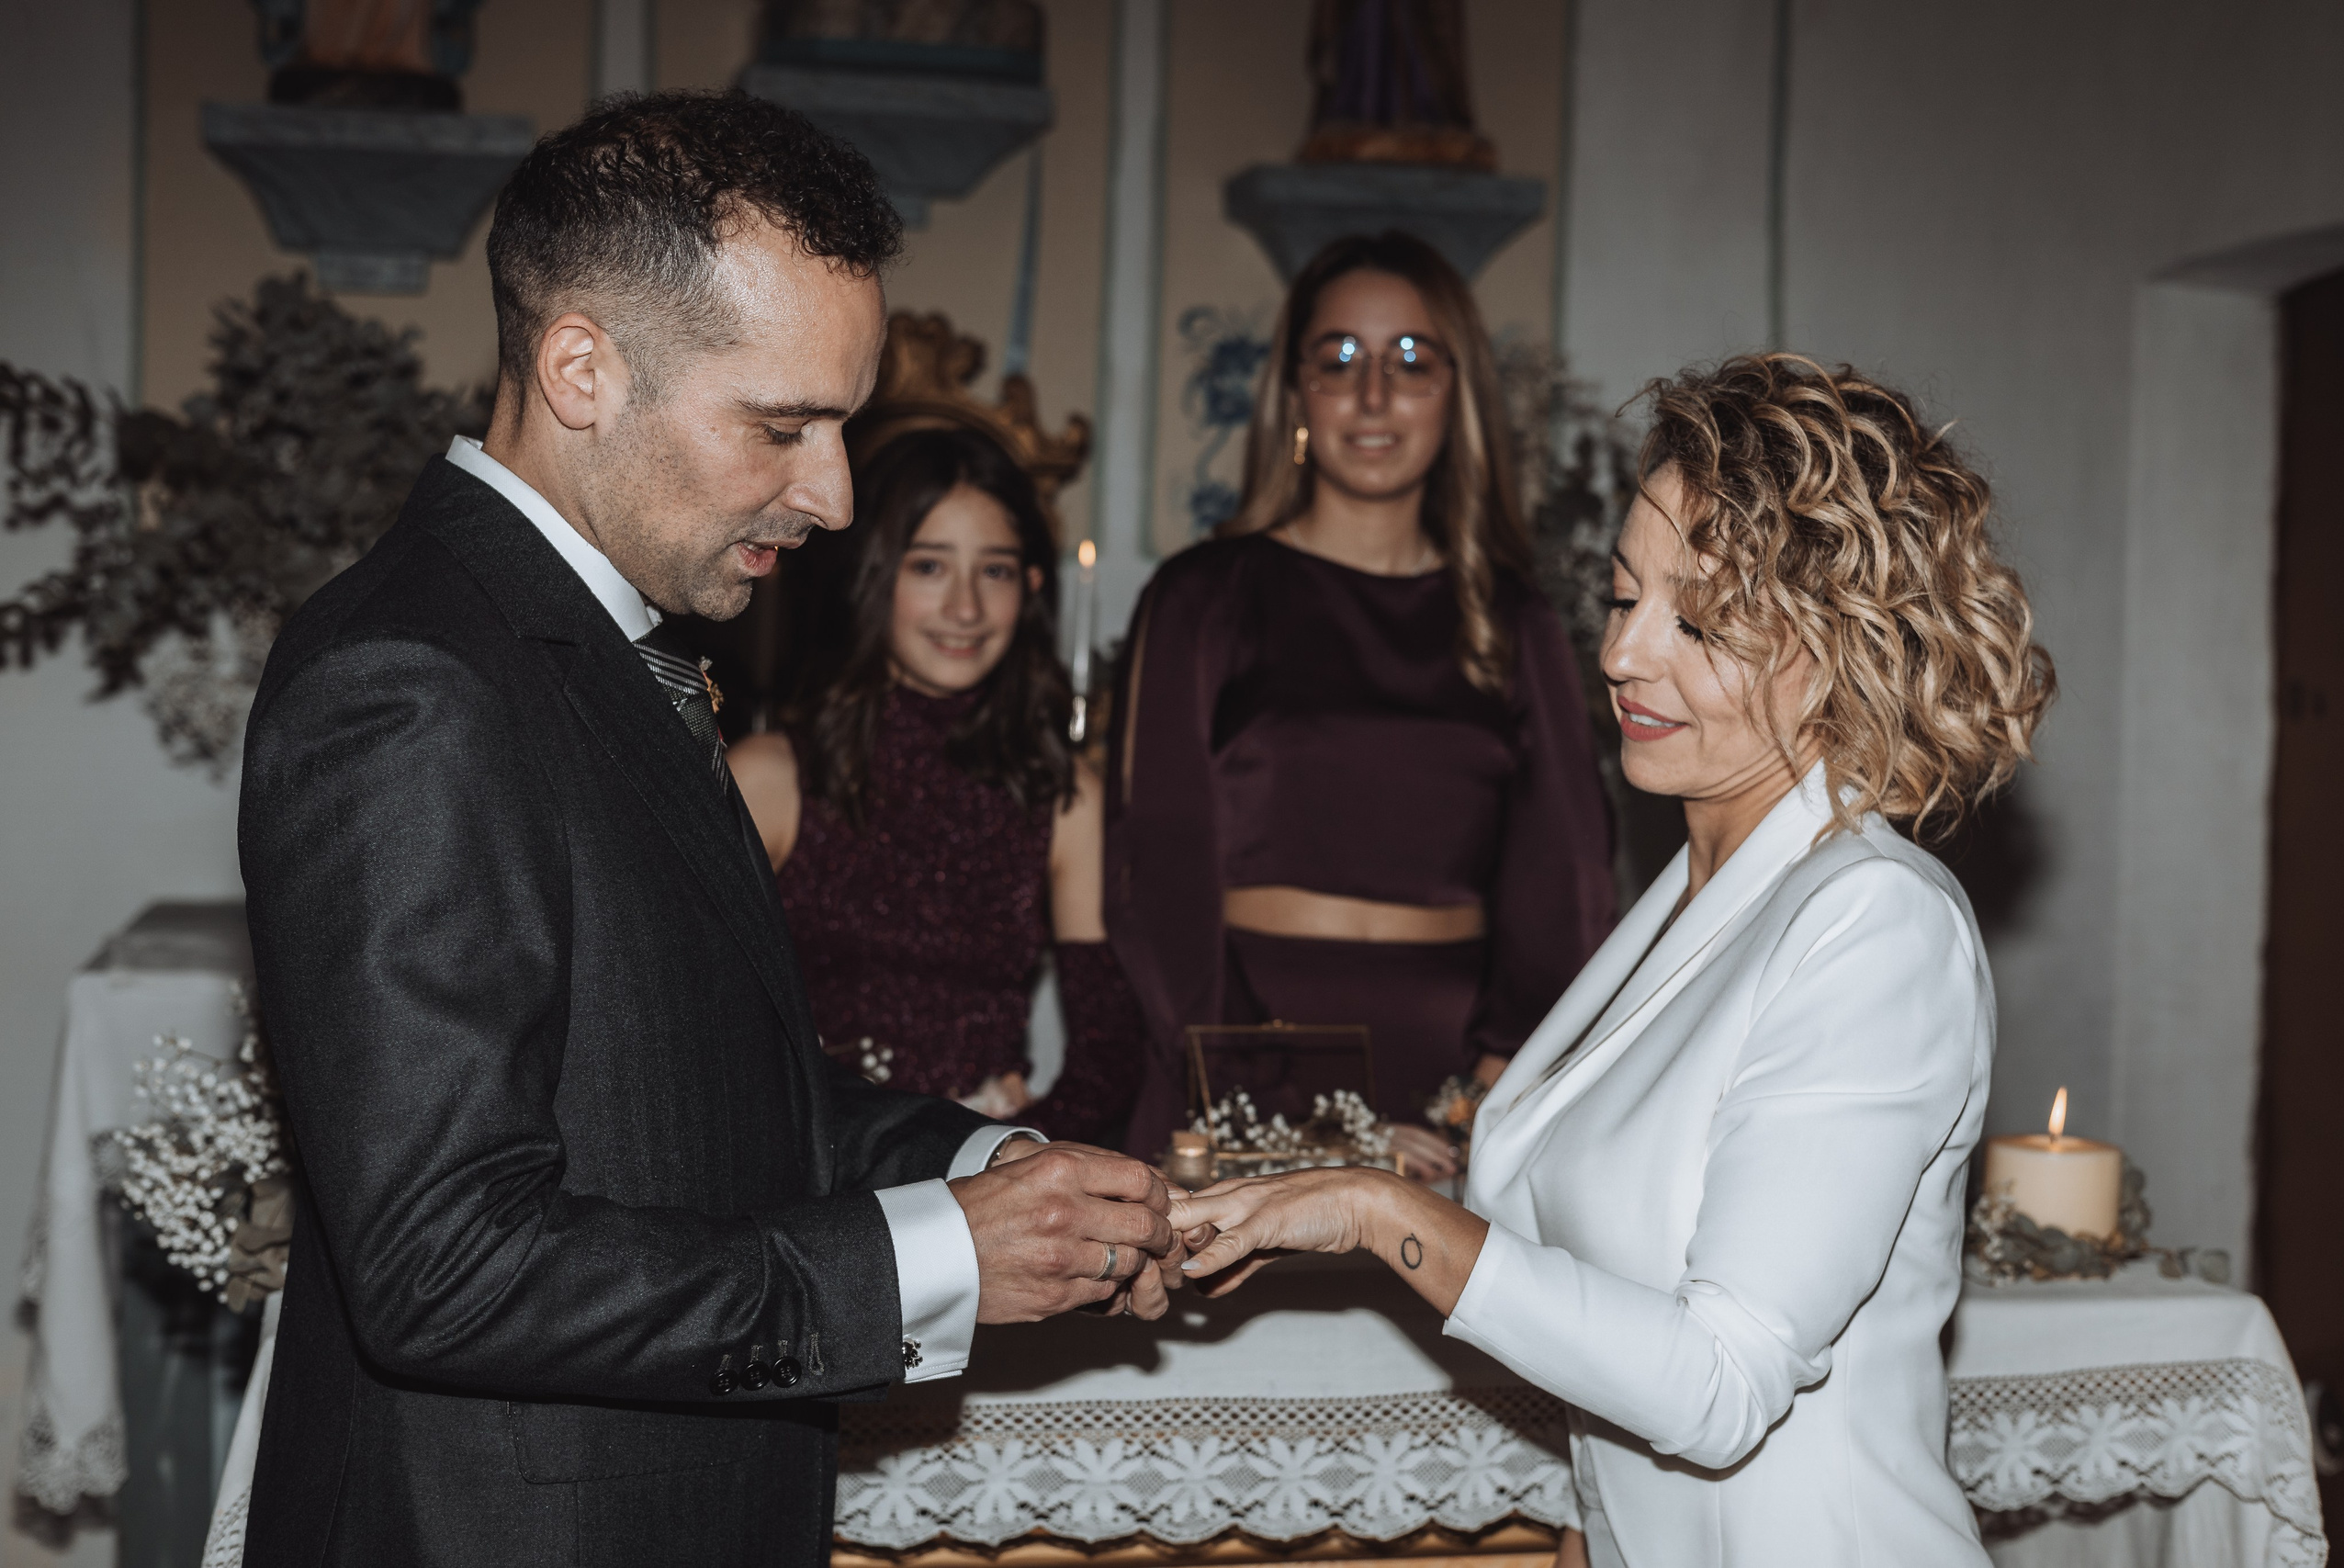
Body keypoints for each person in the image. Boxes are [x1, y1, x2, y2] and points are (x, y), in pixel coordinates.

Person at [236, 92, 1181, 1568]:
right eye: (783, 422)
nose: (833, 491)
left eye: (843, 426)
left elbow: (696, 1085)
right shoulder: (411, 679)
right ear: (580, 369)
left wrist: (988, 1166)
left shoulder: (608, 645)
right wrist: (926, 1259)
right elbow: (444, 1263)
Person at [1167, 354, 2057, 1568]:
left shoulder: (1875, 923)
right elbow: (1603, 1322)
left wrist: (1377, 1210)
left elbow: (1717, 1379)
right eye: (1623, 595)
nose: (1626, 655)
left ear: (1843, 646)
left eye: (1699, 620)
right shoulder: (1686, 905)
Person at [1104, 231, 1617, 1172]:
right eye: (1339, 359)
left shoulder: (1514, 617)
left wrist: (1502, 1079)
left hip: (1460, 1092)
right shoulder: (1201, 597)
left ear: (1455, 394)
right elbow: (1156, 880)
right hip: (1231, 1066)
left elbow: (1567, 877)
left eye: (1411, 361)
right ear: (1294, 391)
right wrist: (1278, 1106)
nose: (1373, 396)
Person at [728, 425, 1144, 1144]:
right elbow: (694, 1036)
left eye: (996, 571)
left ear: (1032, 586)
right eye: (929, 567)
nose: (966, 608)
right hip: (807, 1186)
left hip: (993, 1194)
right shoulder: (770, 778)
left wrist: (1004, 1150)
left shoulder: (1061, 792)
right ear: (873, 576)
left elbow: (1109, 1059)